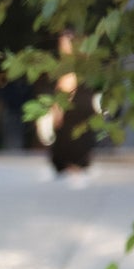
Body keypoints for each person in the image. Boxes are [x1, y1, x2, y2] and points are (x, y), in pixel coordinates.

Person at [50, 30, 96, 176]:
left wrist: (57, 111)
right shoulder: (85, 68)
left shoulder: (70, 69)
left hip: (72, 121)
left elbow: (66, 90)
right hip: (78, 122)